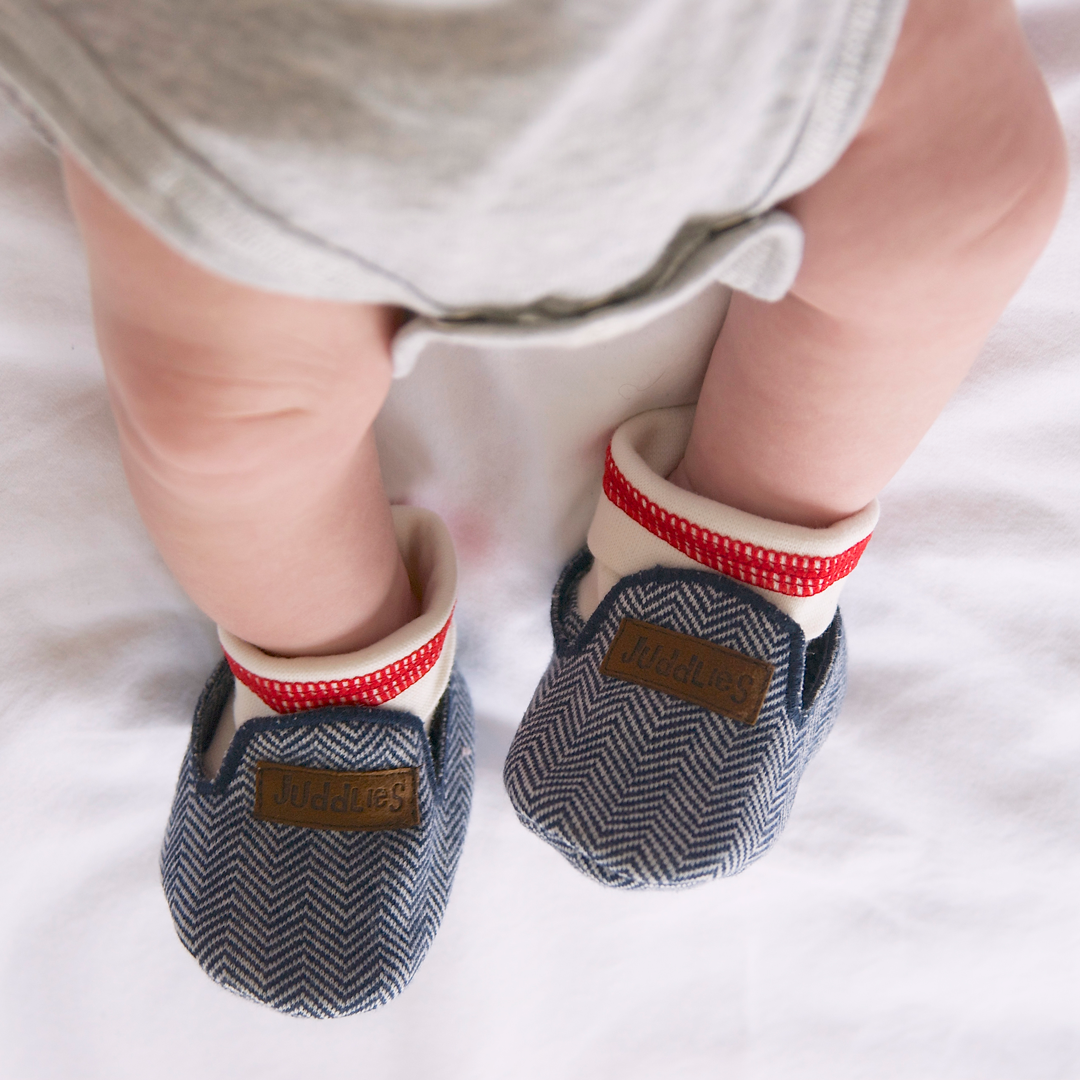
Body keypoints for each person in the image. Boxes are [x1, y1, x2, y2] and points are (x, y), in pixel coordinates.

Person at [0, 0, 1066, 1016]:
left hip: (766, 63)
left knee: (951, 205)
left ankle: (742, 538)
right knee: (220, 421)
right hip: (252, 130)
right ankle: (331, 660)